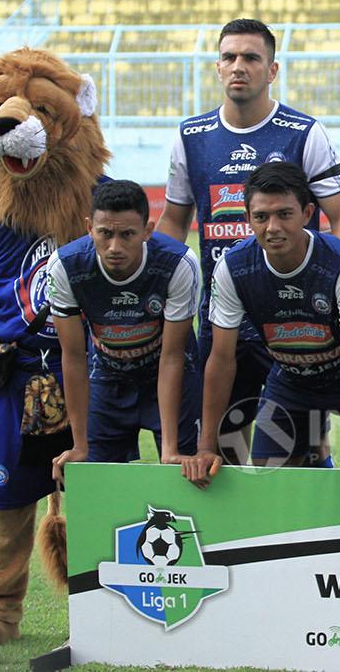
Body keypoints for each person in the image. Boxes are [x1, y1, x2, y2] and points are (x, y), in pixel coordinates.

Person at [158, 18, 340, 466]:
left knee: (299, 449)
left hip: (293, 320)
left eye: (251, 58)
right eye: (229, 57)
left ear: (272, 70)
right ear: (217, 67)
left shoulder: (303, 132)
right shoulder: (190, 137)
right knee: (220, 449)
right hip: (223, 316)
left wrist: (332, 288)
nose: (239, 67)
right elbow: (173, 222)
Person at [179, 162, 340, 495]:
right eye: (261, 217)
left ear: (308, 212)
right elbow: (221, 360)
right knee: (270, 481)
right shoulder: (232, 268)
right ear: (247, 218)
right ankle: (317, 466)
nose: (272, 227)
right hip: (292, 380)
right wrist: (206, 446)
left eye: (285, 214)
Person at [47, 180, 201, 479]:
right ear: (90, 227)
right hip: (106, 375)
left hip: (168, 375)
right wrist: (79, 444)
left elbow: (172, 356)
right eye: (105, 233)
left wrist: (170, 449)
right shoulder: (65, 266)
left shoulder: (178, 263)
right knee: (95, 477)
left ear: (147, 230)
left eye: (128, 234)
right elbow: (74, 355)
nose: (115, 247)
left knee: (186, 475)